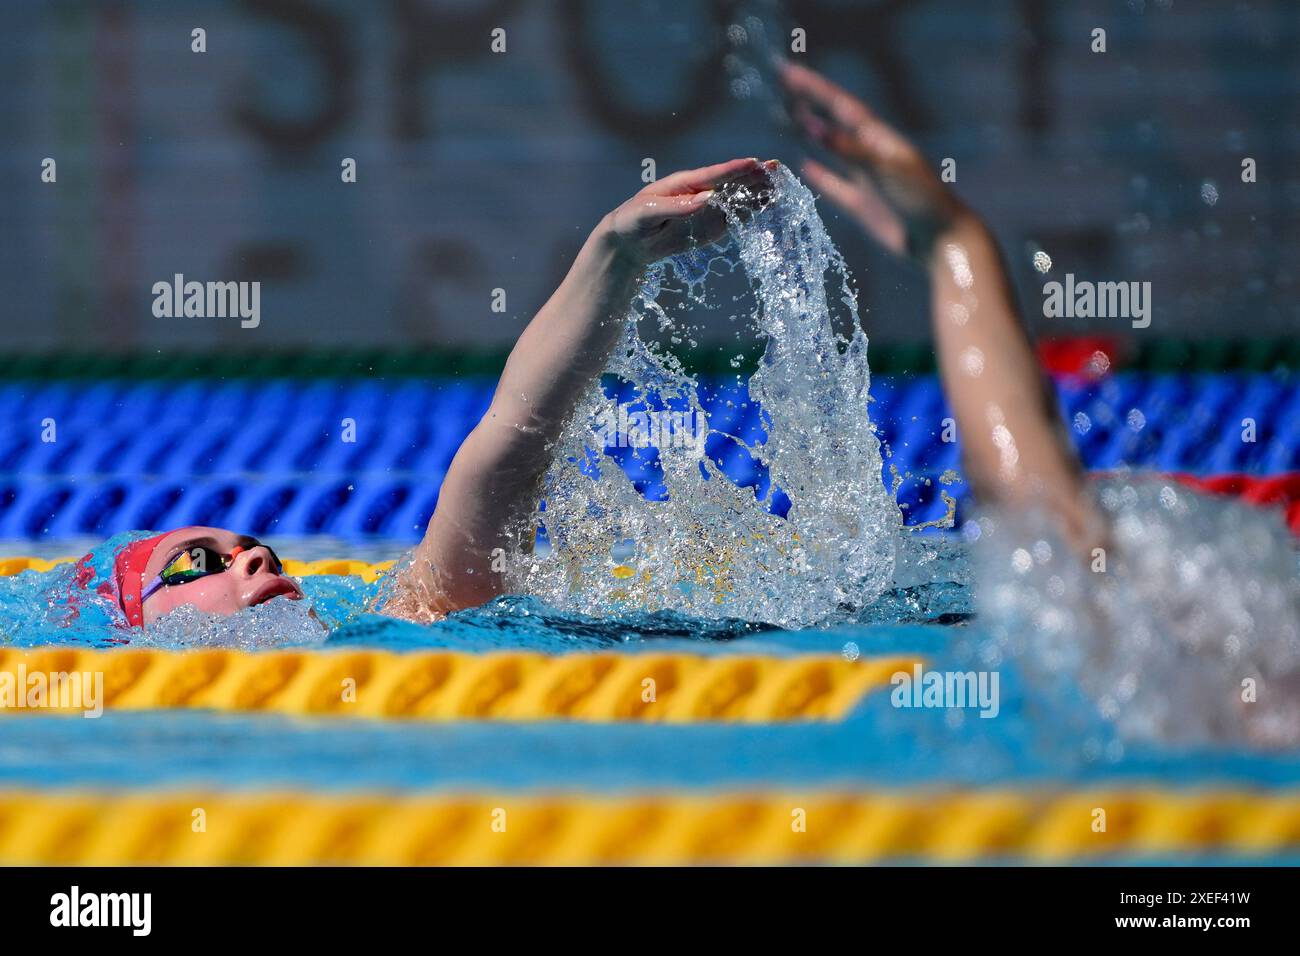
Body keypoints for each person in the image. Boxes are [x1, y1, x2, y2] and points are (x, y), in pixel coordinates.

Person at [96, 159, 775, 629]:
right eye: (195, 565)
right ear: (139, 629)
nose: (256, 554)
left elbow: (511, 440)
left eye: (251, 545)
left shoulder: (401, 628)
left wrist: (613, 258)